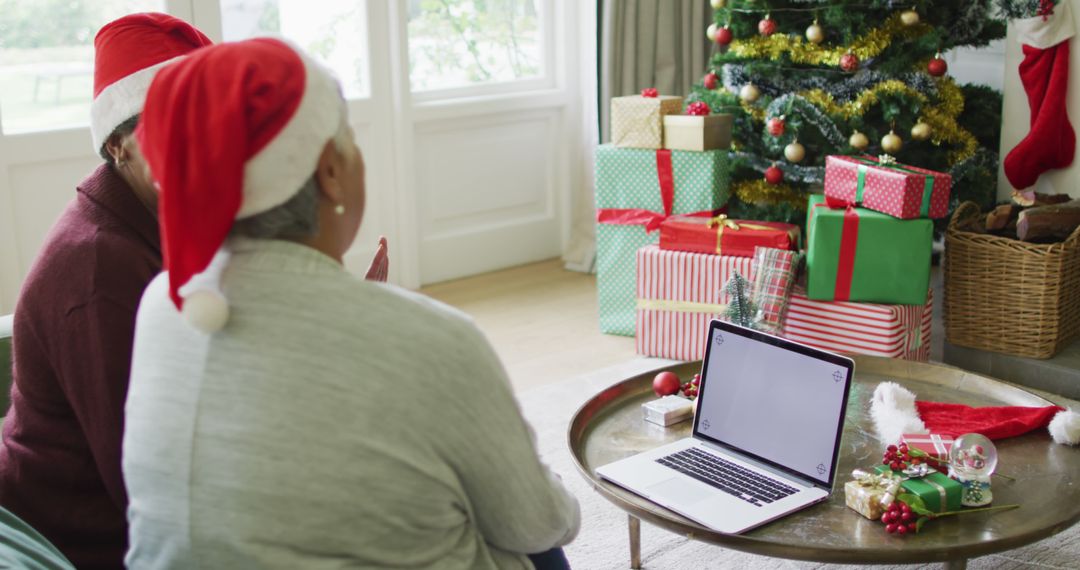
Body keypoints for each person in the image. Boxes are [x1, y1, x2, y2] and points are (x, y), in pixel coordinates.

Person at [123, 38, 579, 570]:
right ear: (330, 171)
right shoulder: (434, 339)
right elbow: (540, 522)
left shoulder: (164, 302)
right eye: (352, 140)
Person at [0, 14, 212, 568]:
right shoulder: (100, 270)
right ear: (119, 144)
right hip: (72, 525)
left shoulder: (162, 212)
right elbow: (143, 482)